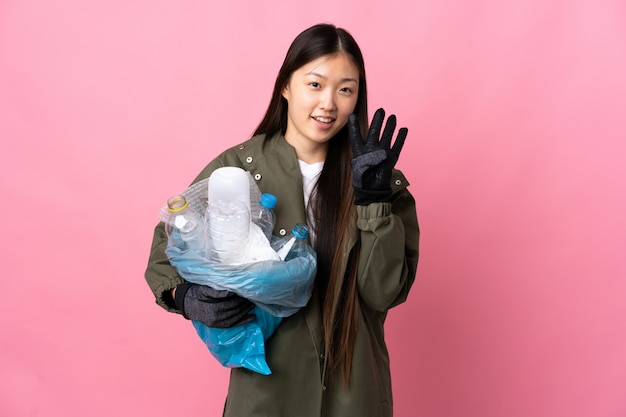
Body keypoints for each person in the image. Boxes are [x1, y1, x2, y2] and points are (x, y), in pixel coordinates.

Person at [144, 23, 419, 417]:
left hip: (354, 394)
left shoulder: (378, 182)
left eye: (345, 89)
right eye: (315, 84)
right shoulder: (236, 170)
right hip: (266, 395)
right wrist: (187, 298)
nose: (328, 104)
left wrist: (372, 204)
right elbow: (167, 249)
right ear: (286, 86)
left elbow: (383, 293)